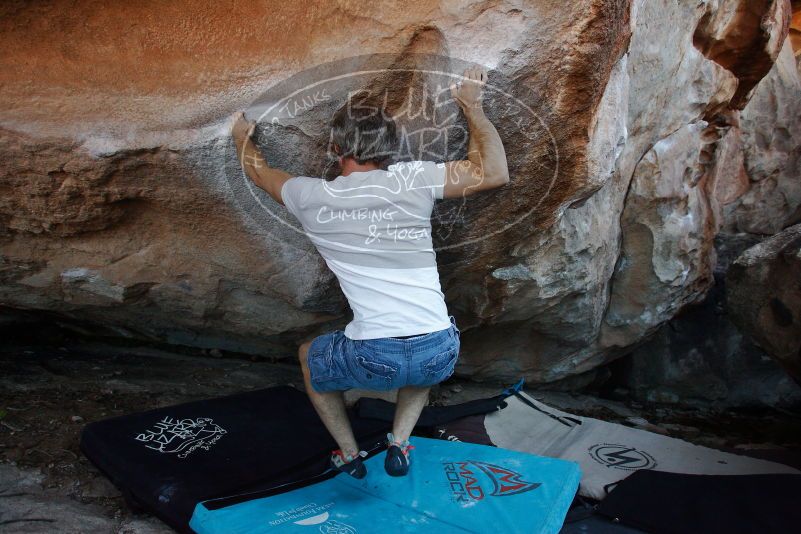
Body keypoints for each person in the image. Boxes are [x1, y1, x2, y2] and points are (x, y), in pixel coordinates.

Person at [230, 67, 509, 478]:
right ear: (392, 150)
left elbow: (257, 172)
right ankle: (399, 442)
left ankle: (349, 453)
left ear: (335, 147)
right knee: (422, 358)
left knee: (311, 354)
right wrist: (472, 105)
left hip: (375, 355)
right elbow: (495, 173)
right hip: (441, 348)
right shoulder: (414, 180)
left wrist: (241, 136)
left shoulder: (309, 196)